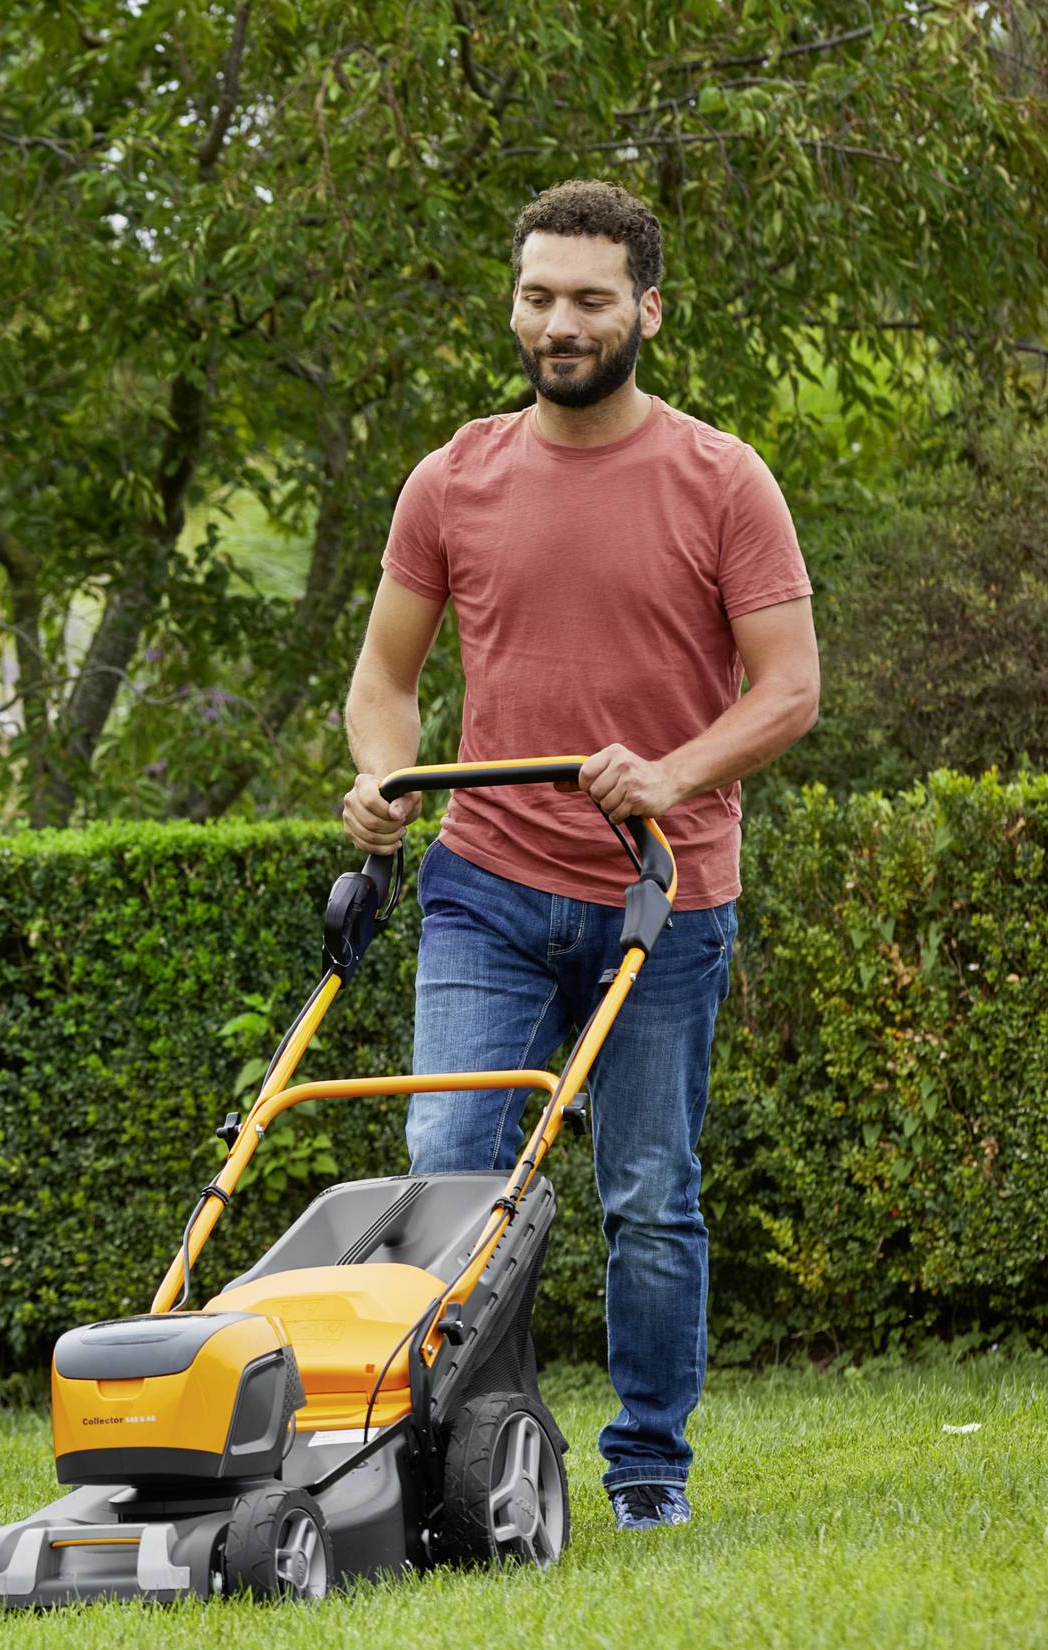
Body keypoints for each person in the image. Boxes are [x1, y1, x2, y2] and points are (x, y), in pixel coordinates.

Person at [339, 180, 819, 1530]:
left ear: (647, 312)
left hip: (658, 896)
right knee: (449, 1175)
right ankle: (462, 1456)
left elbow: (789, 689)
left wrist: (670, 774)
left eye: (590, 299)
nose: (560, 322)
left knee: (649, 1197)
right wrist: (382, 775)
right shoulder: (454, 477)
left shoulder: (723, 481)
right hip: (482, 882)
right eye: (539, 296)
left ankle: (648, 1473)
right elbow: (385, 676)